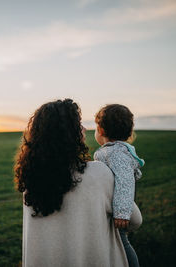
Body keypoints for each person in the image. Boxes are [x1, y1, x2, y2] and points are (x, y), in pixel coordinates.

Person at [14, 99, 142, 267]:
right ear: (69, 133)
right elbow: (135, 220)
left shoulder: (32, 182)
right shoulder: (98, 173)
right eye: (79, 124)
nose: (85, 128)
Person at [93, 104, 145, 267]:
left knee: (122, 244)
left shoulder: (115, 153)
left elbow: (124, 180)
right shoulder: (114, 151)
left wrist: (122, 212)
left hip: (117, 213)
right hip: (112, 208)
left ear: (100, 130)